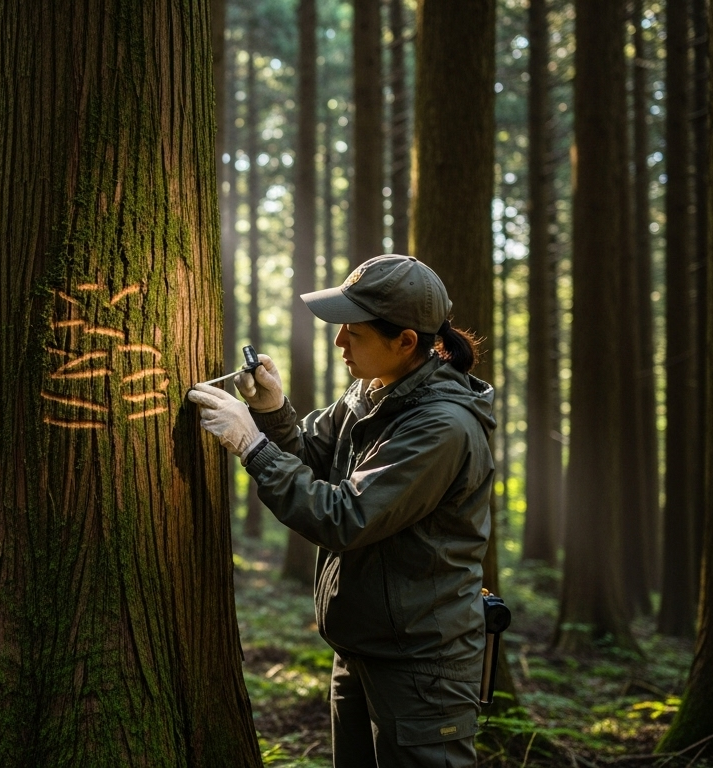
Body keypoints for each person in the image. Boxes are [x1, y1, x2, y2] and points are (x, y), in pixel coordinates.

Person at [187, 254, 495, 768]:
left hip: (421, 667)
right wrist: (271, 411)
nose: (339, 342)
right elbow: (311, 455)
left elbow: (343, 517)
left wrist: (251, 446)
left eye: (353, 331)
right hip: (363, 648)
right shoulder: (374, 392)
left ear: (405, 342)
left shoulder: (441, 427)